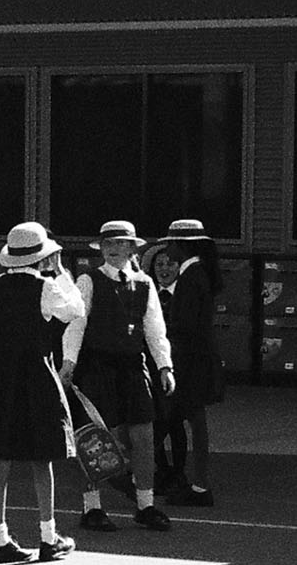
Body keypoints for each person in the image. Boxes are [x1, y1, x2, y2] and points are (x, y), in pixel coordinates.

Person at [0, 222, 84, 564]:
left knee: (0, 458)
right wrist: (63, 273)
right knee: (42, 457)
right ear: (44, 257)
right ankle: (48, 536)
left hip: (2, 378)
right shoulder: (47, 287)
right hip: (36, 377)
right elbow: (76, 310)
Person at [64, 220, 176, 533]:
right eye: (109, 244)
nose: (115, 250)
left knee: (143, 436)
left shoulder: (144, 283)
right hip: (97, 366)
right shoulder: (88, 280)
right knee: (99, 437)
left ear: (132, 248)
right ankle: (93, 507)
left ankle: (145, 504)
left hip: (131, 365)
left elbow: (154, 328)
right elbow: (77, 324)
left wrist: (164, 366)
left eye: (122, 244)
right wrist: (69, 362)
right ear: (101, 248)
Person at [147, 218, 223, 507]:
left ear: (181, 245)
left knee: (181, 418)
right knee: (184, 419)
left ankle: (198, 485)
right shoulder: (200, 273)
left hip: (190, 361)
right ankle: (192, 481)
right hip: (197, 359)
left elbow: (185, 325)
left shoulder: (192, 278)